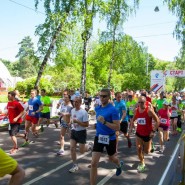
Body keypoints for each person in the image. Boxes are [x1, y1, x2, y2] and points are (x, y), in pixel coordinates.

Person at [90, 89, 123, 185]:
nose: (102, 98)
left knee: (112, 158)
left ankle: (118, 164)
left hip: (110, 138)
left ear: (109, 97)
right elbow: (98, 120)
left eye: (104, 96)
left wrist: (104, 122)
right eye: (100, 96)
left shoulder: (113, 110)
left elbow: (117, 127)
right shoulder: (97, 108)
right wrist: (96, 124)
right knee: (93, 163)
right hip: (99, 137)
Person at [131, 95, 159, 172]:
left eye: (142, 102)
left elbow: (157, 121)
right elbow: (133, 119)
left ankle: (151, 144)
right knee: (139, 148)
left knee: (147, 151)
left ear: (145, 102)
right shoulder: (136, 110)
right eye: (139, 102)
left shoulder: (149, 111)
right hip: (139, 133)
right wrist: (132, 125)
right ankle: (142, 163)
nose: (140, 104)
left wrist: (153, 131)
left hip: (148, 134)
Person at [69, 96, 90, 173]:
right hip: (74, 131)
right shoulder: (72, 110)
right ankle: (75, 165)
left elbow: (87, 125)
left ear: (80, 103)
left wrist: (77, 122)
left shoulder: (83, 112)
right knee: (72, 148)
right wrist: (71, 125)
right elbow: (72, 120)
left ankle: (88, 146)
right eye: (74, 101)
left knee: (82, 151)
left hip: (81, 133)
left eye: (77, 102)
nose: (75, 103)